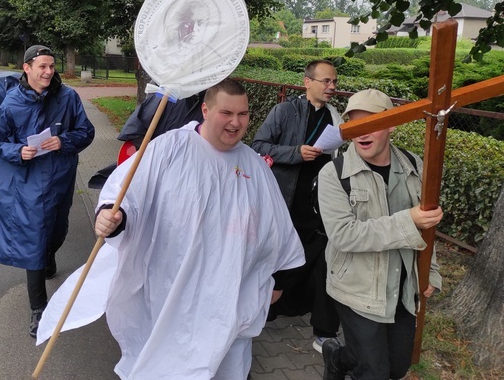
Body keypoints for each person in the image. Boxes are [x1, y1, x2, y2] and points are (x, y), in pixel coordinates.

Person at [95, 78, 305, 380]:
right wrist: (113, 217)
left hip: (227, 296)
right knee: (168, 361)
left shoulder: (254, 167)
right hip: (170, 289)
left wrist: (281, 278)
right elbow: (128, 194)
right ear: (205, 110)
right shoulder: (169, 149)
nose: (236, 122)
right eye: (226, 113)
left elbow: (276, 228)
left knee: (225, 366)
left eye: (243, 114)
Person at [317, 89, 443, 380]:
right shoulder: (334, 174)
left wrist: (430, 271)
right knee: (374, 372)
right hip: (356, 289)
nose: (362, 132)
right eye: (355, 125)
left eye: (371, 123)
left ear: (392, 125)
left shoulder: (415, 166)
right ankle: (354, 359)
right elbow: (344, 235)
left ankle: (339, 356)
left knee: (398, 367)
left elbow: (428, 225)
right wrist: (407, 220)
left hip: (402, 286)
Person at [0, 45, 95, 338]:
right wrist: (18, 151)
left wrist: (64, 141)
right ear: (27, 68)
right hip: (28, 183)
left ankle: (50, 255)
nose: (48, 72)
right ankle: (39, 309)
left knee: (57, 230)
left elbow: (87, 132)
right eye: (42, 67)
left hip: (60, 178)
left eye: (51, 66)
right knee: (33, 239)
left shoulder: (68, 97)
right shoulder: (11, 103)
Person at [250, 59, 343, 351]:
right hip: (284, 199)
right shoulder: (284, 111)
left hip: (319, 202)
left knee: (314, 258)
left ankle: (315, 322)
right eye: (326, 81)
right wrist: (295, 153)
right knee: (276, 257)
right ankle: (262, 311)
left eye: (334, 82)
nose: (331, 88)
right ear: (307, 82)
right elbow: (258, 146)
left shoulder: (335, 116)